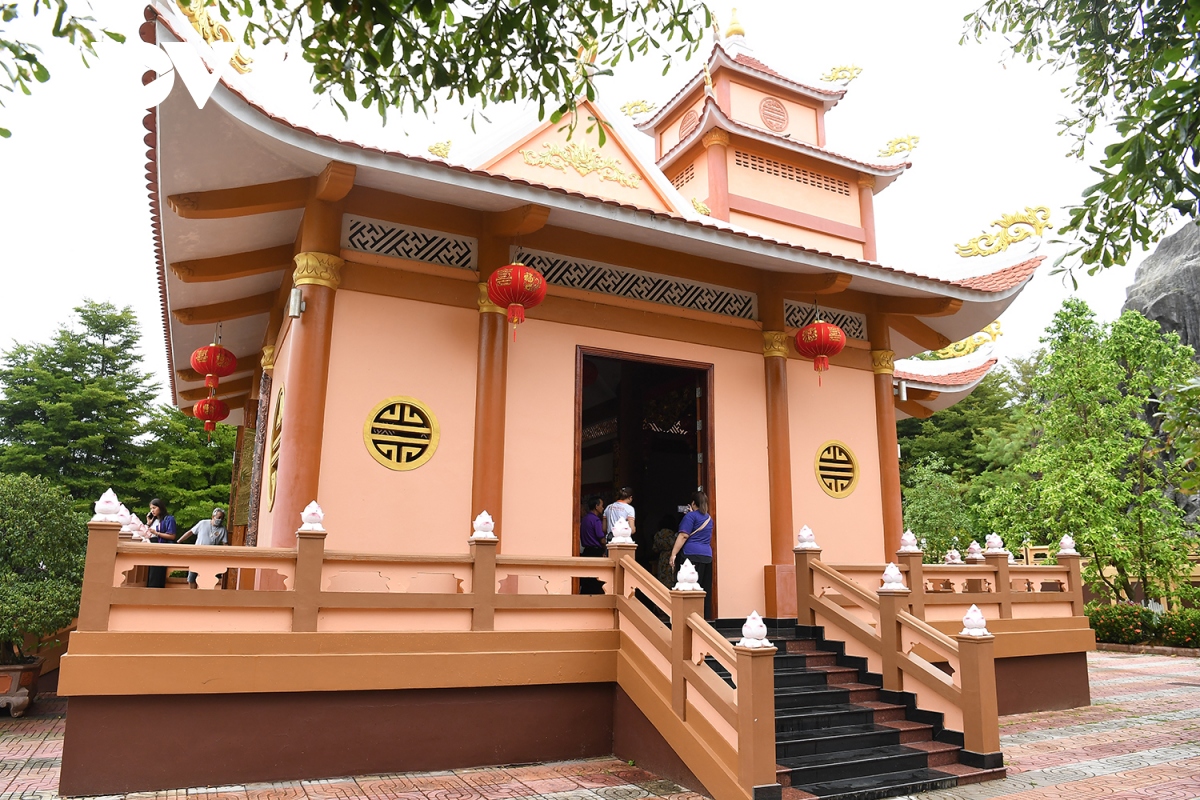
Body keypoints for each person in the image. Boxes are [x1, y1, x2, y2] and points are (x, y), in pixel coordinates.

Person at [669, 491, 714, 619]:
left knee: (688, 588)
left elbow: (683, 535)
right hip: (706, 556)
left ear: (693, 503)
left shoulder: (690, 517)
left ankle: (688, 617)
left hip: (691, 555)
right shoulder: (709, 518)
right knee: (704, 589)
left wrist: (673, 554)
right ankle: (704, 618)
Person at [178, 508, 229, 589]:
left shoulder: (223, 530)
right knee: (191, 578)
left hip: (210, 558)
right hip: (196, 555)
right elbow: (190, 532)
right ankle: (193, 594)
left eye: (222, 518)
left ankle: (204, 595)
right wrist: (179, 541)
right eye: (219, 517)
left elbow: (225, 544)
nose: (220, 520)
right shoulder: (203, 523)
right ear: (213, 516)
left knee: (207, 579)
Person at [145, 498, 177, 589]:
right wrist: (148, 523)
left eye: (154, 508)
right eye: (151, 509)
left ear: (160, 507)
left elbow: (172, 536)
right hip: (151, 546)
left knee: (157, 572)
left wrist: (157, 533)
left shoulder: (168, 519)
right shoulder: (153, 520)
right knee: (149, 572)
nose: (152, 510)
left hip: (161, 546)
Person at [578, 494, 607, 595]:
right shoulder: (596, 520)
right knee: (596, 581)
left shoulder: (585, 519)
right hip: (596, 552)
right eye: (601, 505)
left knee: (586, 580)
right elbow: (601, 539)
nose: (603, 508)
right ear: (596, 506)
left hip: (586, 552)